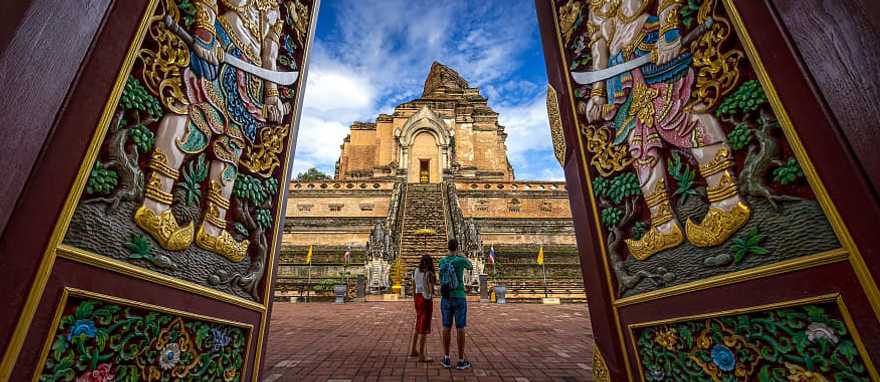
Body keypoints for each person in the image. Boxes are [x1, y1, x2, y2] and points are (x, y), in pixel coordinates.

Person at [439, 239, 472, 370]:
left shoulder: (442, 261)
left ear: (447, 247)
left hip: (446, 297)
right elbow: (470, 266)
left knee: (446, 327)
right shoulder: (460, 260)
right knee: (460, 327)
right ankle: (461, 359)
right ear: (457, 248)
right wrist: (463, 255)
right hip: (459, 296)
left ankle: (446, 358)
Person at [410, 255, 436, 362]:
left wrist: (414, 298)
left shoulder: (416, 271)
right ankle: (422, 355)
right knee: (424, 327)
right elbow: (430, 290)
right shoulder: (429, 274)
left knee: (418, 323)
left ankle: (413, 349)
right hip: (426, 300)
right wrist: (434, 290)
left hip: (417, 298)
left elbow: (413, 285)